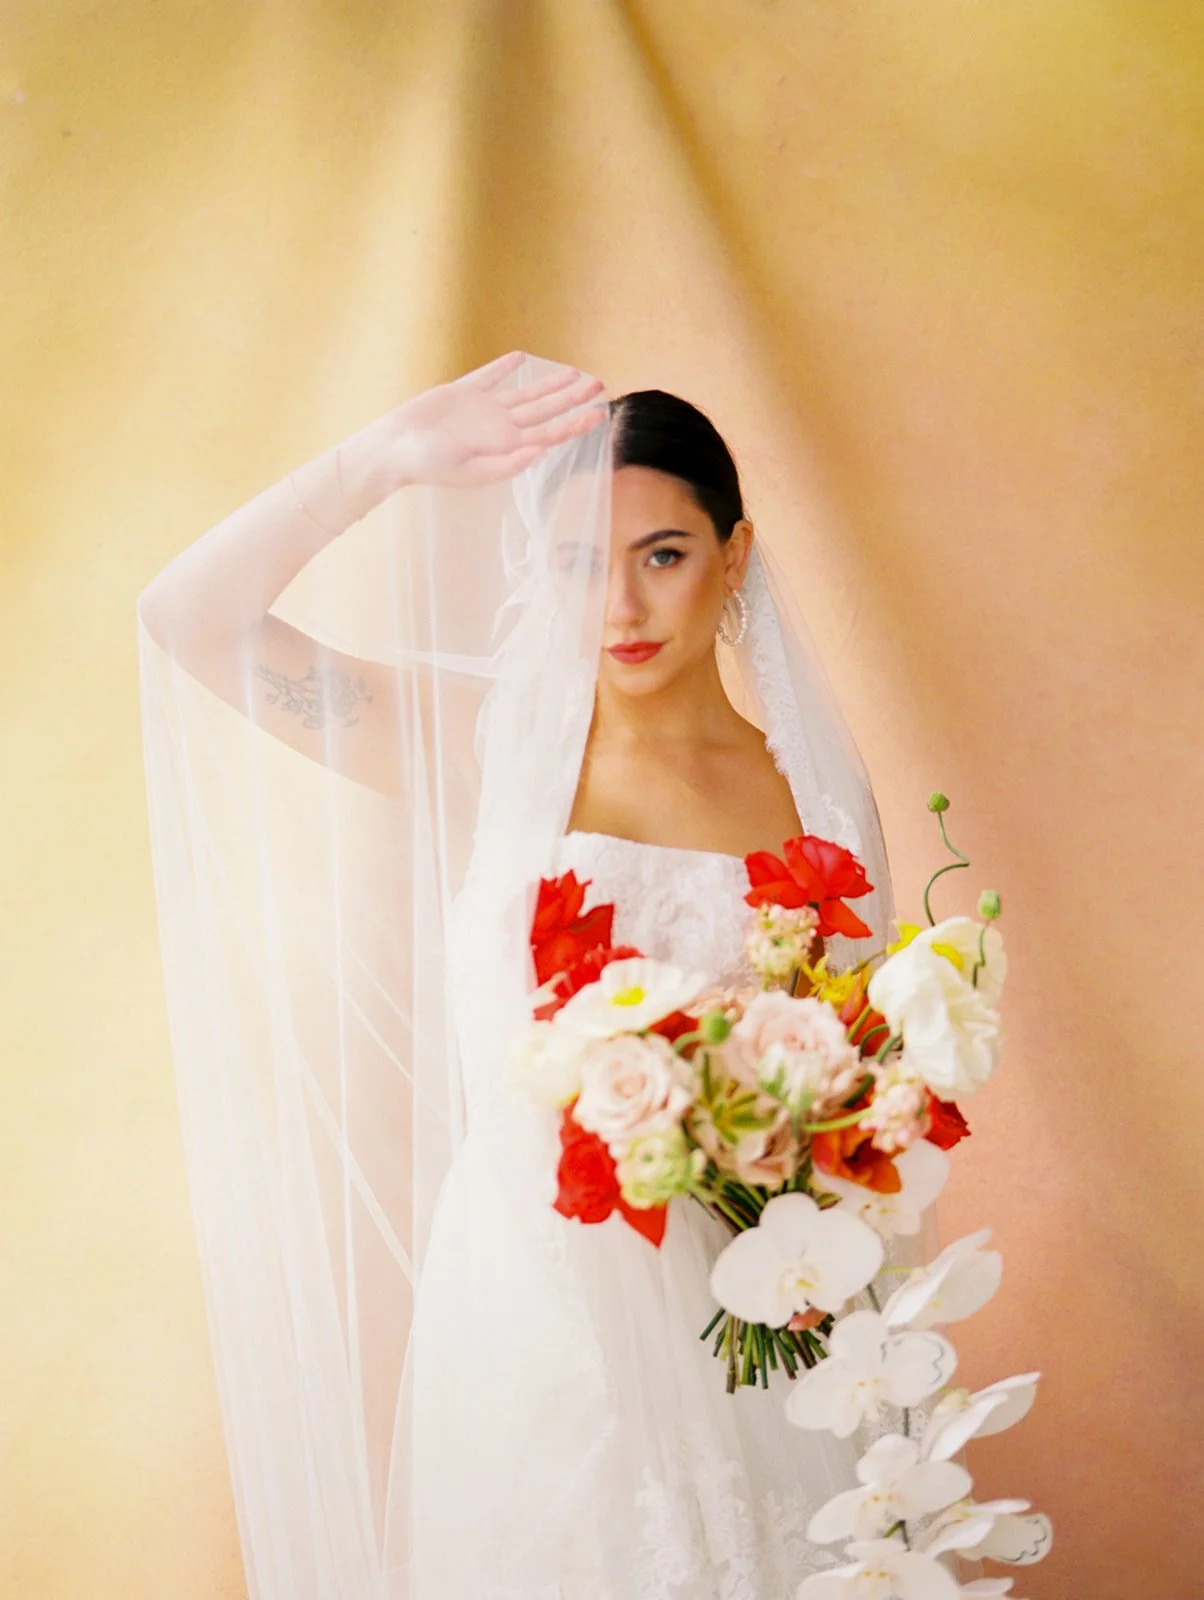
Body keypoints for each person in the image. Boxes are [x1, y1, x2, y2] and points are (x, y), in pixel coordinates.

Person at [137, 351, 909, 1599]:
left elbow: (861, 1104)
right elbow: (190, 618)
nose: (619, 605)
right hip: (537, 1338)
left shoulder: (814, 795)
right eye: (572, 563)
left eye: (661, 553)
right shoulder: (485, 747)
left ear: (736, 554)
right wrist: (383, 456)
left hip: (751, 1338)